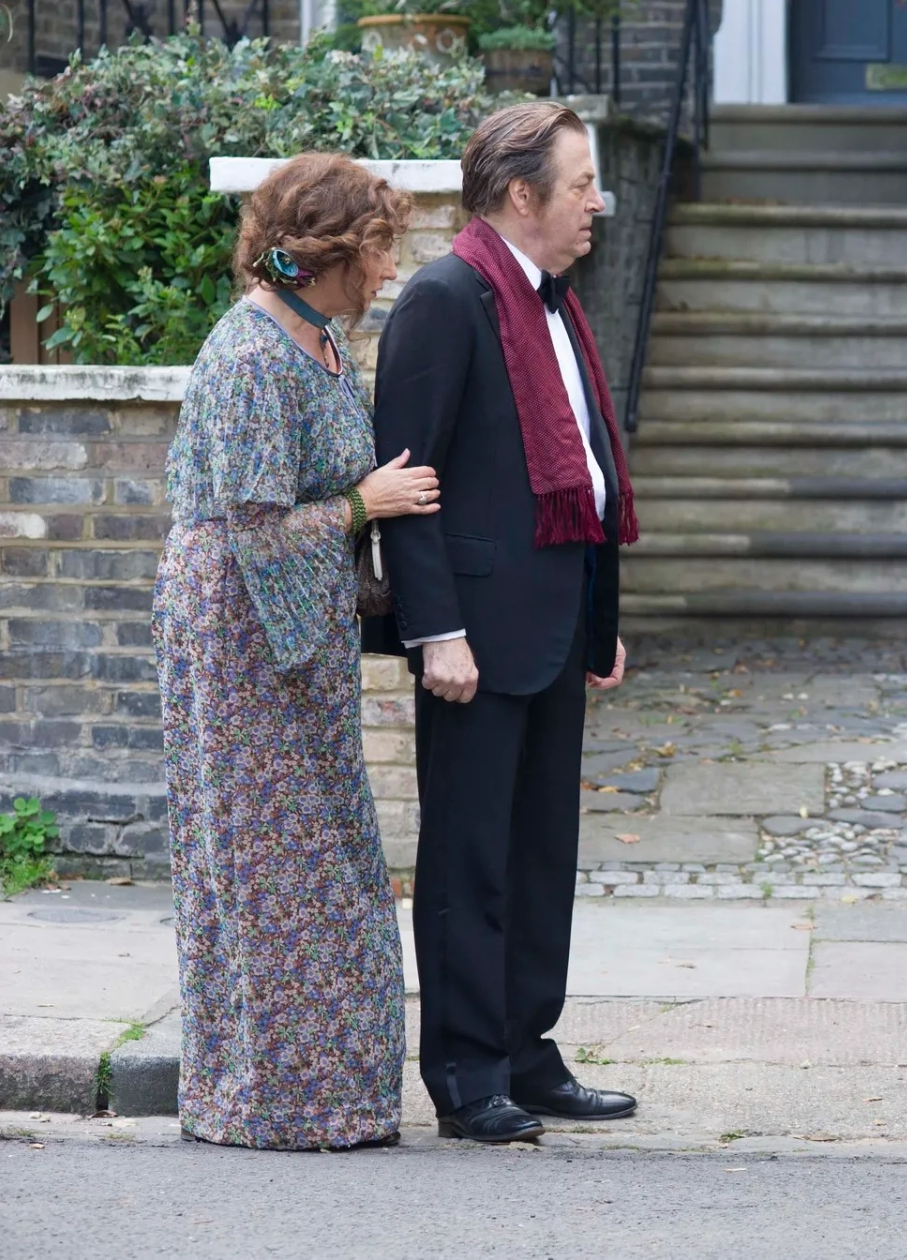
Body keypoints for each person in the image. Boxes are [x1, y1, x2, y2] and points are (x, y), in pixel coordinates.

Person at [155, 153, 442, 1149]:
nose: (389, 268)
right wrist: (371, 504)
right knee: (266, 869)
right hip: (238, 642)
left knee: (332, 867)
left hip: (298, 638)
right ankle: (266, 1100)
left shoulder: (319, 340)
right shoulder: (249, 358)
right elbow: (257, 529)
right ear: (331, 251)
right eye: (379, 247)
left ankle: (334, 1098)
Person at [368, 101, 640, 1143]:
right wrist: (436, 629)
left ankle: (528, 1050)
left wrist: (598, 614)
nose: (597, 203)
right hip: (474, 638)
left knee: (538, 856)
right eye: (580, 185)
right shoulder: (448, 298)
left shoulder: (556, 302)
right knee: (470, 859)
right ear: (521, 195)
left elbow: (590, 471)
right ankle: (467, 1069)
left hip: (553, 624)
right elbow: (411, 479)